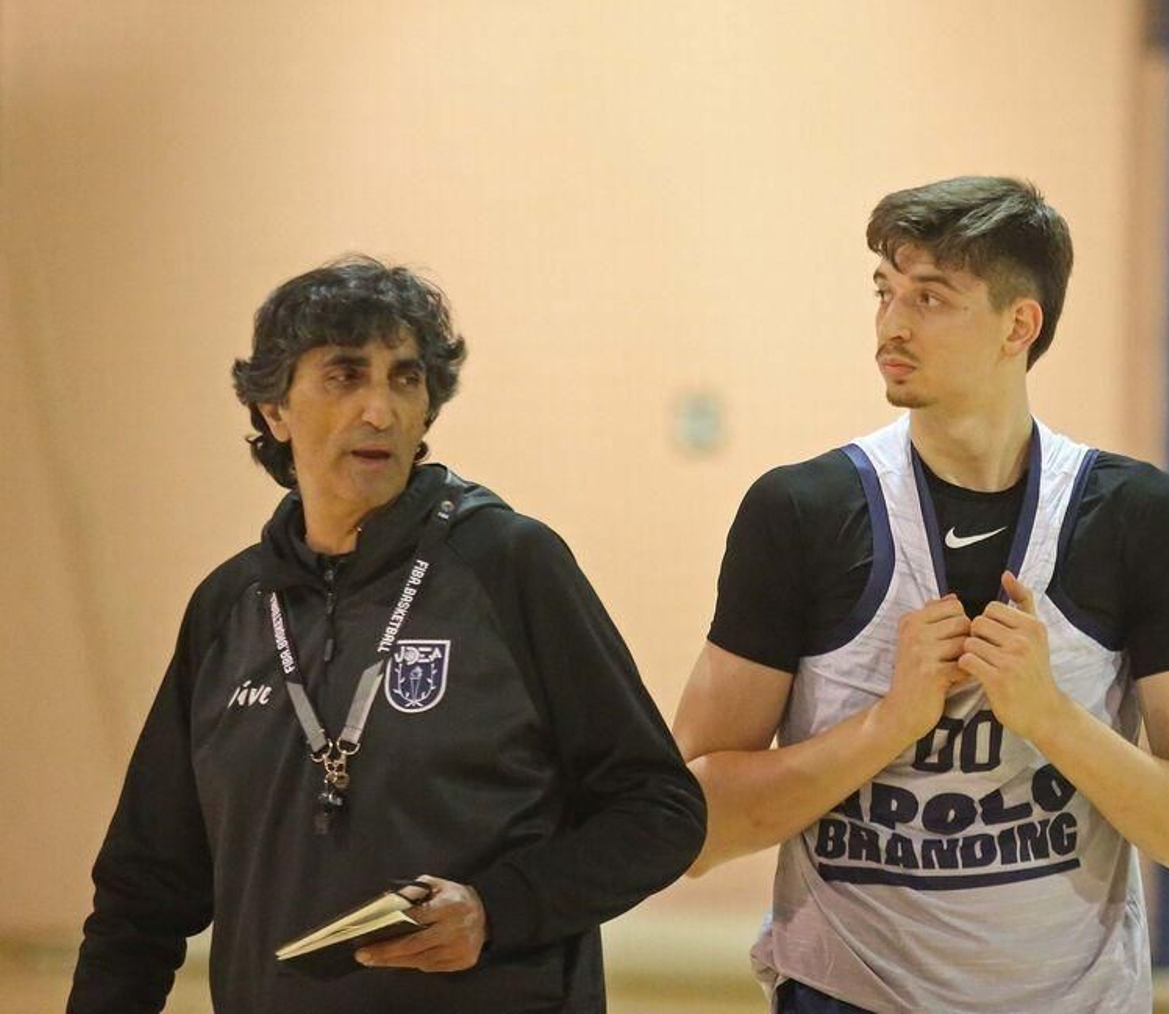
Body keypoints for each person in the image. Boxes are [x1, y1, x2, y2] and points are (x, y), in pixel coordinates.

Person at [673, 177, 1169, 1013]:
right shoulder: (799, 511)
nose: (892, 325)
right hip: (849, 996)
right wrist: (888, 724)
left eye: (932, 298)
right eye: (885, 292)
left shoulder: (1143, 518)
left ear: (1020, 325)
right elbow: (685, 826)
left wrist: (1052, 718)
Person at [68, 255, 706, 1014]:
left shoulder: (508, 565)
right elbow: (145, 888)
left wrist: (497, 909)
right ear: (274, 410)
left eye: (405, 379)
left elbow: (660, 811)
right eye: (345, 376)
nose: (382, 410)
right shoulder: (229, 607)